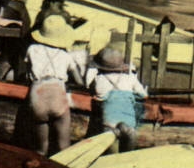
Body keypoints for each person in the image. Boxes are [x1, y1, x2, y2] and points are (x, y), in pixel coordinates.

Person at [22, 13, 87, 154]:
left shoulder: (32, 50)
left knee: (40, 149)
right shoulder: (66, 56)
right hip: (58, 97)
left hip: (37, 98)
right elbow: (79, 81)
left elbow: (28, 75)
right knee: (64, 148)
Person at [86, 45, 149, 139]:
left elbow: (100, 97)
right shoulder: (130, 78)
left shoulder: (100, 79)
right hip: (128, 119)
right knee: (130, 133)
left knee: (109, 140)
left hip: (109, 118)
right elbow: (144, 95)